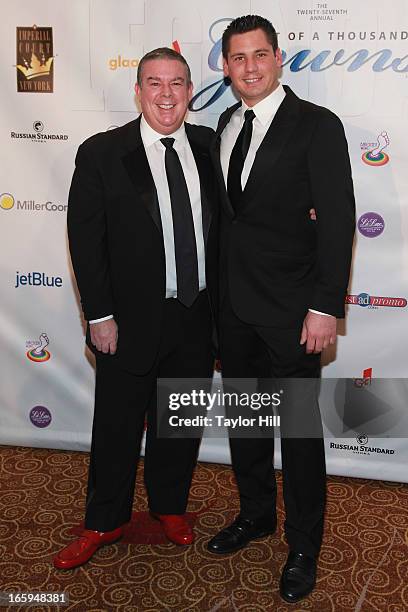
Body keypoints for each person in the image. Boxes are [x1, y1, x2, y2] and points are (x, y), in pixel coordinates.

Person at [207, 15, 355, 603]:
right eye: (238, 57)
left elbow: (337, 220)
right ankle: (256, 515)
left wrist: (325, 306)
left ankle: (303, 545)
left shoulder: (317, 126)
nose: (250, 67)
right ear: (225, 65)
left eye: (260, 55)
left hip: (294, 311)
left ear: (279, 58)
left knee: (296, 433)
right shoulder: (222, 123)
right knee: (246, 424)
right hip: (234, 311)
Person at [54, 48, 218, 570]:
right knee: (117, 426)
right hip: (126, 322)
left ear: (190, 91)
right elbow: (86, 240)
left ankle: (170, 507)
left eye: (176, 83)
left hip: (197, 315)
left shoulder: (210, 145)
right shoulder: (102, 152)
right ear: (138, 91)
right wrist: (98, 315)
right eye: (154, 82)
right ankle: (104, 519)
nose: (166, 94)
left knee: (180, 423)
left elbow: (244, 214)